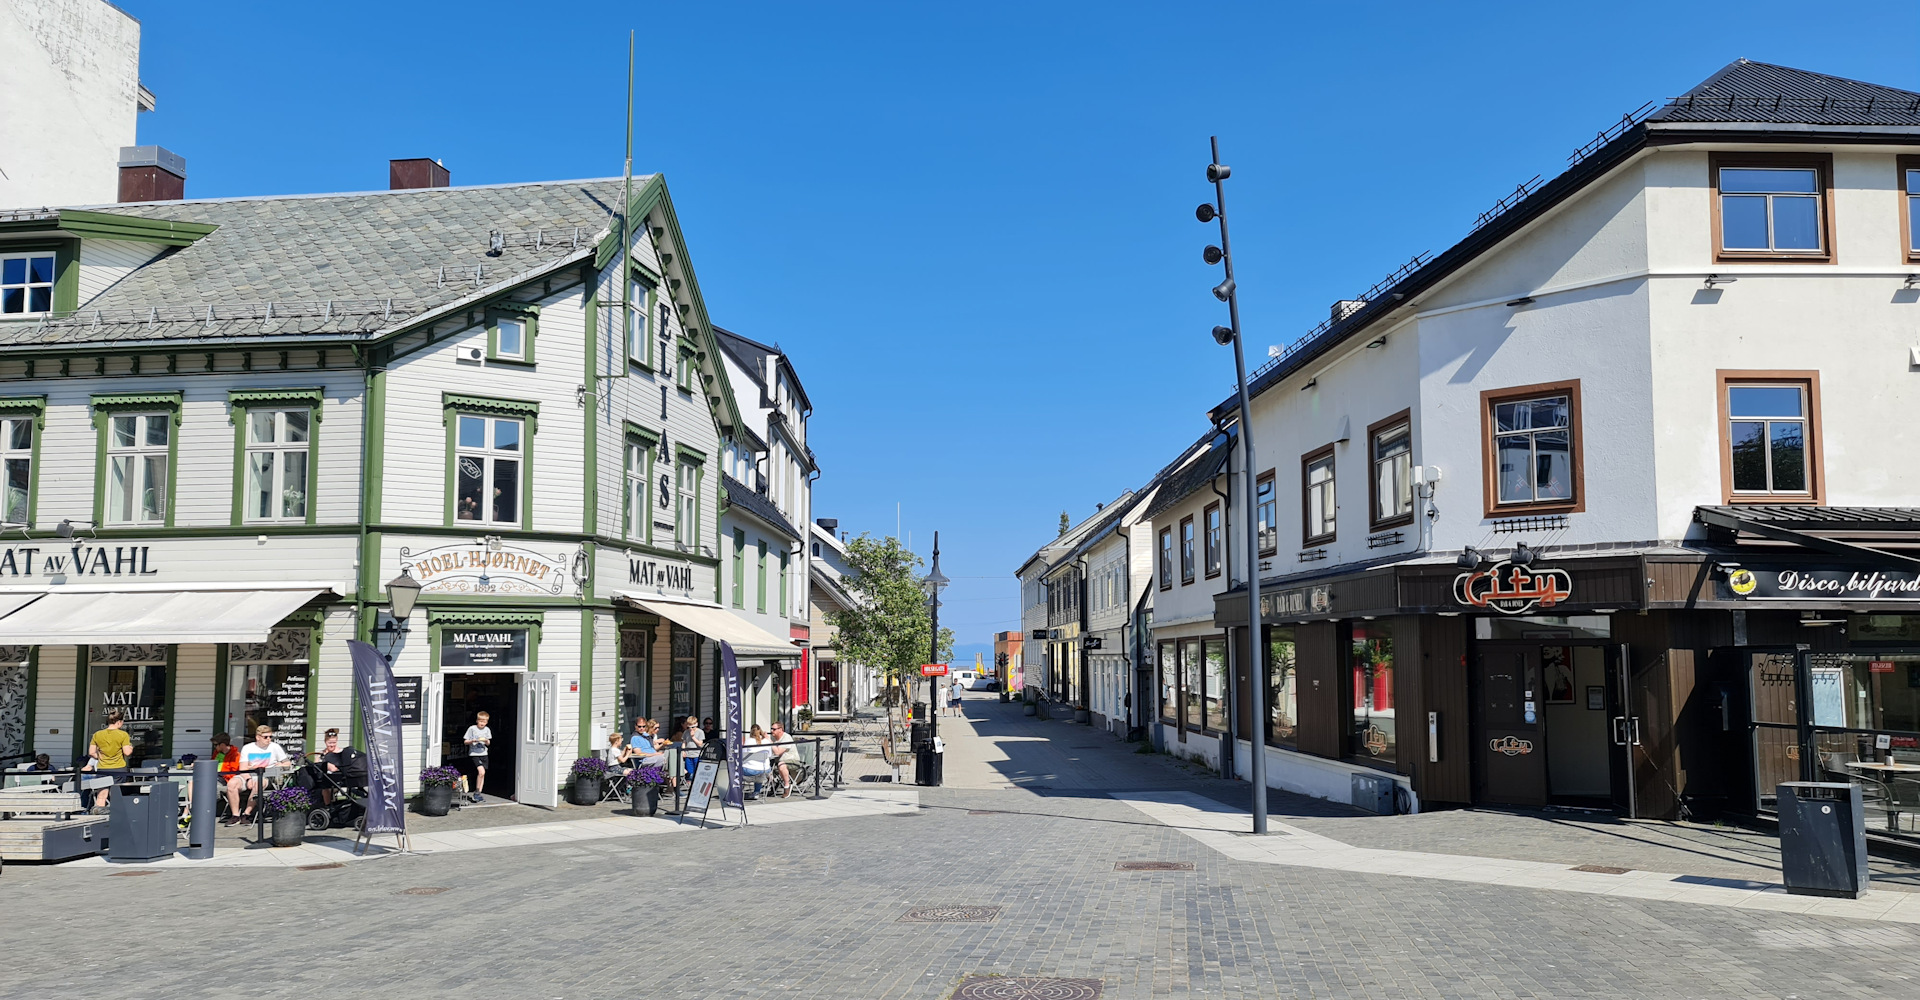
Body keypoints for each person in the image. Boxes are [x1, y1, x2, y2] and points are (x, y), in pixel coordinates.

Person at [225, 725, 290, 824]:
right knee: (232, 784)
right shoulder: (248, 748)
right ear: (258, 737)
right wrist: (248, 779)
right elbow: (243, 768)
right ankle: (235, 815)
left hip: (266, 776)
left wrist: (280, 764)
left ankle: (246, 814)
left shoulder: (275, 747)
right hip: (248, 774)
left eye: (270, 737)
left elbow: (287, 763)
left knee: (258, 784)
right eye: (265, 737)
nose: (269, 739)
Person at [86, 708, 133, 812]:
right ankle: (117, 816)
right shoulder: (123, 735)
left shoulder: (97, 734)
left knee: (101, 795)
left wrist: (100, 757)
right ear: (119, 722)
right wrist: (131, 747)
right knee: (116, 795)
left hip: (103, 768)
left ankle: (98, 817)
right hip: (118, 768)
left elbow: (91, 752)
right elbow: (127, 752)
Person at [464, 710, 492, 803]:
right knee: (481, 771)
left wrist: (486, 741)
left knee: (482, 774)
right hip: (475, 754)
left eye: (484, 722)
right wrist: (472, 741)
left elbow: (488, 743)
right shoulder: (472, 729)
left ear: (487, 722)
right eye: (480, 721)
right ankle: (476, 792)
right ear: (477, 721)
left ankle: (479, 793)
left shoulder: (487, 730)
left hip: (484, 754)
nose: (482, 723)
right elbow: (465, 741)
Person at [767, 721, 801, 797]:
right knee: (765, 766)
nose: (772, 731)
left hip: (792, 761)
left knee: (781, 765)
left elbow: (778, 752)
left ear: (780, 729)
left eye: (774, 729)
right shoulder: (774, 737)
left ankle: (787, 786)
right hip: (777, 760)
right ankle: (774, 783)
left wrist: (770, 742)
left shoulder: (786, 738)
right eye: (771, 729)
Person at [740, 725, 773, 798]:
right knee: (760, 772)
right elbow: (770, 755)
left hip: (749, 772)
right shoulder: (767, 741)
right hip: (764, 771)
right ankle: (756, 792)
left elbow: (743, 756)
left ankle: (737, 791)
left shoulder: (748, 741)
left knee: (735, 770)